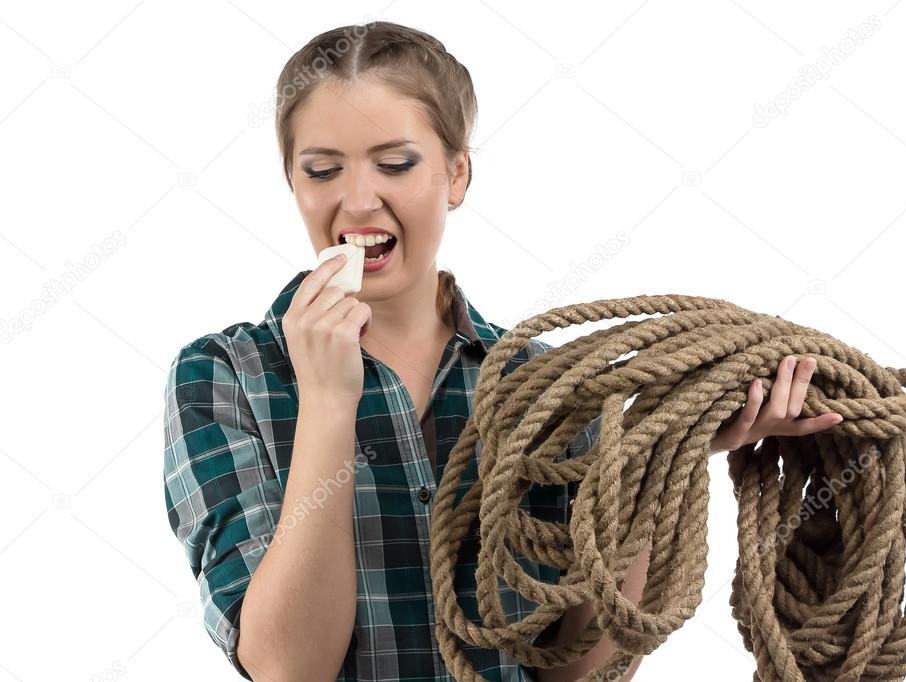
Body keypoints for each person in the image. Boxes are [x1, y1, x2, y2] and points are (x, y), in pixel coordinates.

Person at [163, 21, 842, 682]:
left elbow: (575, 672)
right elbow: (287, 669)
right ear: (292, 181)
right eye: (321, 169)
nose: (358, 199)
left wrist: (654, 457)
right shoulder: (223, 377)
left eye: (396, 163)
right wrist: (327, 401)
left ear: (456, 175)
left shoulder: (546, 386)